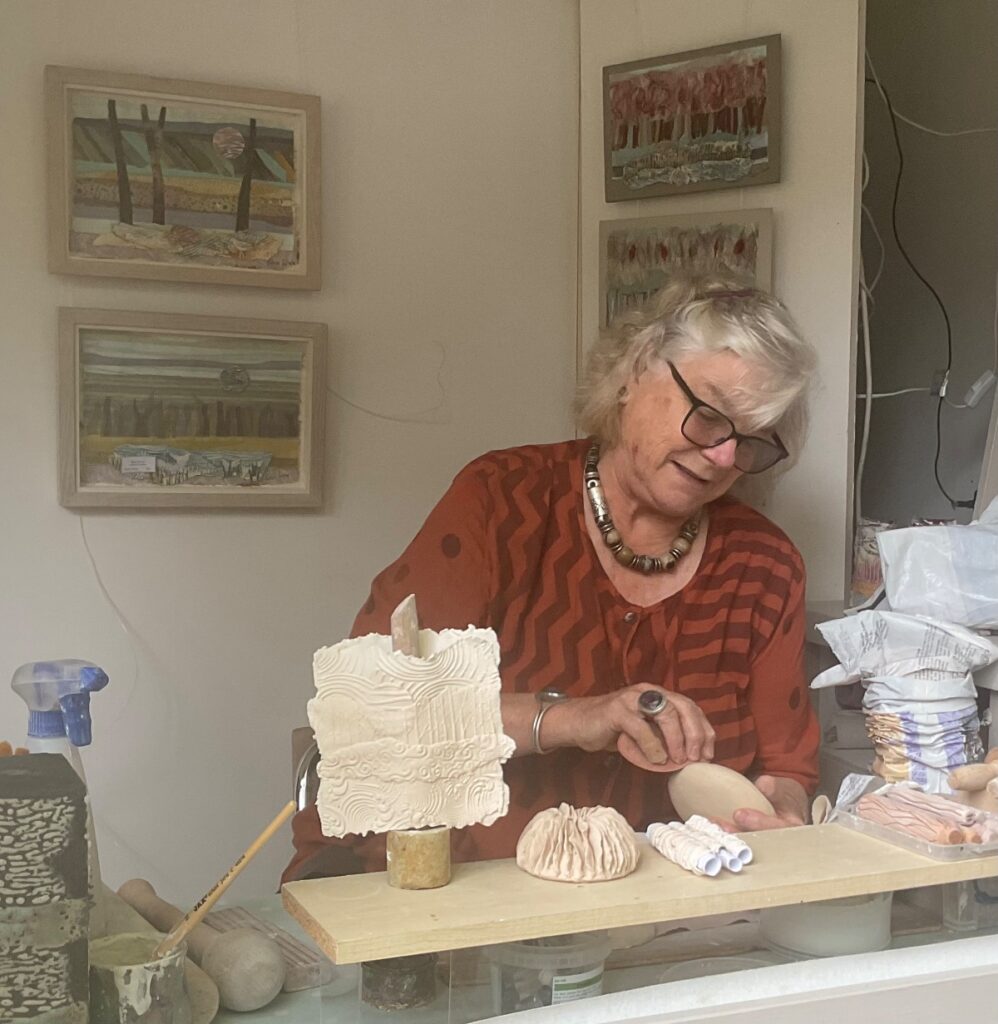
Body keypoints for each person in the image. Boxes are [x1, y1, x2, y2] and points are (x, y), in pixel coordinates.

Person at [282, 270, 820, 883]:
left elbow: (788, 768)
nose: (726, 456)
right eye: (710, 415)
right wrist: (577, 719)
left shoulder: (765, 565)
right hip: (450, 888)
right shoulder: (502, 503)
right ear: (632, 375)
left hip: (666, 909)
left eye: (753, 441)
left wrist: (780, 812)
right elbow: (371, 709)